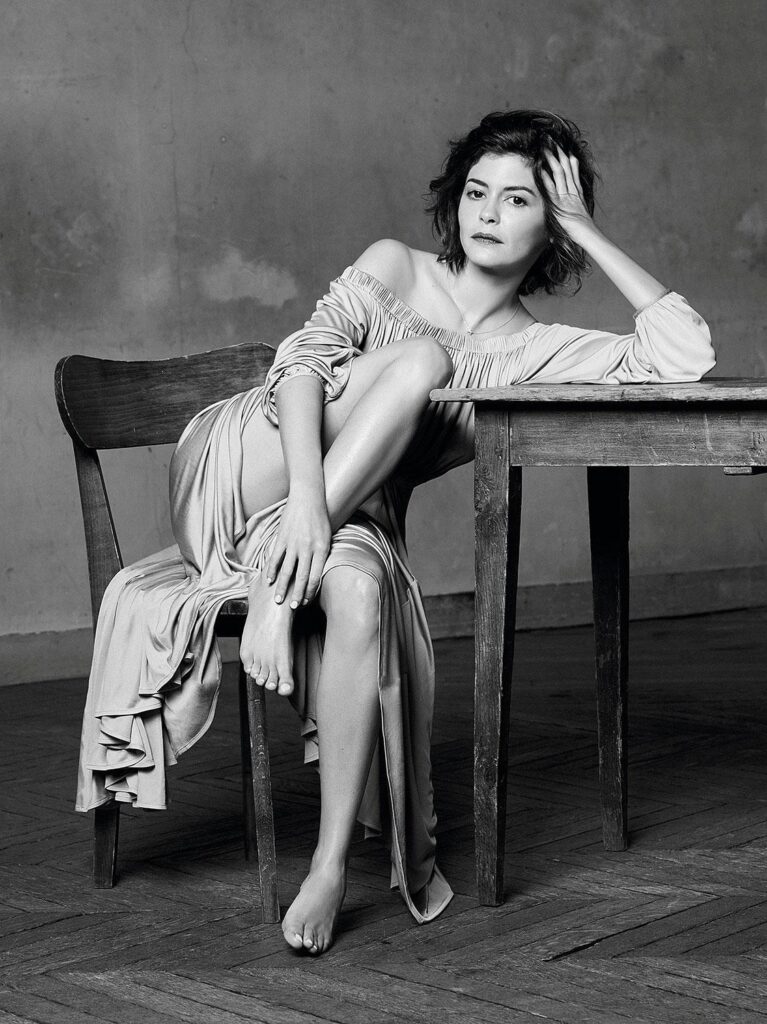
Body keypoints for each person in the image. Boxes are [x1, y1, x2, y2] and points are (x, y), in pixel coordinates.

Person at [76, 110, 716, 956]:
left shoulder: (535, 351)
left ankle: (329, 866)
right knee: (421, 362)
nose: (487, 213)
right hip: (252, 462)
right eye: (476, 193)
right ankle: (278, 582)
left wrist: (587, 231)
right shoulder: (394, 266)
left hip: (348, 520)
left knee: (358, 588)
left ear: (551, 223)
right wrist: (308, 503)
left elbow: (682, 357)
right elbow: (297, 368)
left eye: (518, 199)